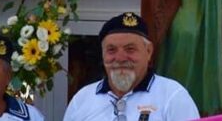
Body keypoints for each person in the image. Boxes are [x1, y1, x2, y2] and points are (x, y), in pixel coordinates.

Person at [63, 12, 199, 121]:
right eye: (111, 50)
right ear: (103, 54)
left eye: (130, 49)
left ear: (149, 52)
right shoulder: (82, 100)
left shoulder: (173, 97)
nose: (120, 58)